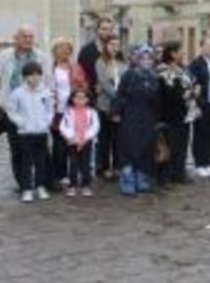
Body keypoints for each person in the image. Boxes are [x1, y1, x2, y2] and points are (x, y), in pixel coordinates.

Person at [0, 26, 52, 189]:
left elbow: (48, 81)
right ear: (15, 38)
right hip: (11, 108)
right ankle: (23, 183)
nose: (28, 39)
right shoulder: (3, 56)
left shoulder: (42, 57)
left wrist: (48, 103)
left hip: (36, 108)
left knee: (41, 146)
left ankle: (44, 181)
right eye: (24, 36)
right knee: (17, 147)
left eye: (31, 36)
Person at [6, 61, 54, 203]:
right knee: (26, 162)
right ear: (25, 77)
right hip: (25, 134)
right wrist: (21, 122)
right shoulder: (17, 93)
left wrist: (47, 122)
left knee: (41, 161)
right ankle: (26, 188)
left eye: (37, 75)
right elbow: (11, 111)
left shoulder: (46, 92)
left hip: (41, 132)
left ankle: (40, 186)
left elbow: (49, 109)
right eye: (31, 75)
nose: (34, 78)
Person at [115, 46, 159, 196]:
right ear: (137, 59)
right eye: (143, 58)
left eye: (149, 58)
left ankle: (141, 176)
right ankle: (127, 179)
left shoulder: (154, 76)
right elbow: (120, 95)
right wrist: (116, 112)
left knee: (145, 146)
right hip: (130, 115)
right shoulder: (129, 75)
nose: (146, 61)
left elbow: (158, 100)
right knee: (129, 146)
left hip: (148, 117)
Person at [156, 42, 198, 187]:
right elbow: (170, 93)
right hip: (170, 114)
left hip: (184, 113)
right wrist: (190, 93)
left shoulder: (182, 69)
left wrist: (193, 91)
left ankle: (179, 173)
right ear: (172, 53)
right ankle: (165, 176)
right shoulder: (163, 71)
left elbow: (190, 84)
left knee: (182, 144)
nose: (183, 54)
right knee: (169, 146)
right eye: (181, 52)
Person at [49, 38, 87, 188]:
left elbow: (85, 85)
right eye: (61, 47)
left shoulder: (76, 67)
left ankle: (73, 172)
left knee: (73, 142)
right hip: (56, 111)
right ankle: (59, 173)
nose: (64, 51)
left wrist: (80, 86)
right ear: (54, 51)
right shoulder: (50, 68)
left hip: (73, 111)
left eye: (67, 48)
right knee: (58, 145)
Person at [189, 37, 210, 178]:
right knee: (201, 134)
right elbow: (194, 83)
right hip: (203, 104)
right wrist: (199, 102)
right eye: (208, 45)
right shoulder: (196, 64)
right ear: (201, 47)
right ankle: (200, 163)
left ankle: (209, 162)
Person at [59, 88, 100, 197]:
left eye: (83, 98)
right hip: (72, 142)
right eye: (77, 97)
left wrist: (86, 137)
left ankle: (85, 185)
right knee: (73, 164)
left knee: (86, 164)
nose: (80, 100)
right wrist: (72, 137)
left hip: (87, 141)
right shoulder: (68, 112)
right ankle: (72, 185)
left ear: (87, 99)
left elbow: (95, 127)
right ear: (72, 99)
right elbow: (63, 126)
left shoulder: (92, 112)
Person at [95, 36, 126, 181]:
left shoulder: (123, 63)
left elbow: (126, 81)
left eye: (117, 45)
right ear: (106, 46)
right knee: (105, 138)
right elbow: (104, 82)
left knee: (119, 138)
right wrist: (117, 96)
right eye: (111, 44)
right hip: (105, 105)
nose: (114, 47)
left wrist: (121, 100)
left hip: (121, 106)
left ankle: (118, 166)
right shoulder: (100, 62)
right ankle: (104, 167)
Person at [78, 16, 115, 95]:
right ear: (97, 30)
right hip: (93, 95)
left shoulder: (117, 50)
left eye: (110, 29)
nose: (107, 32)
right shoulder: (86, 51)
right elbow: (82, 74)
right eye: (104, 29)